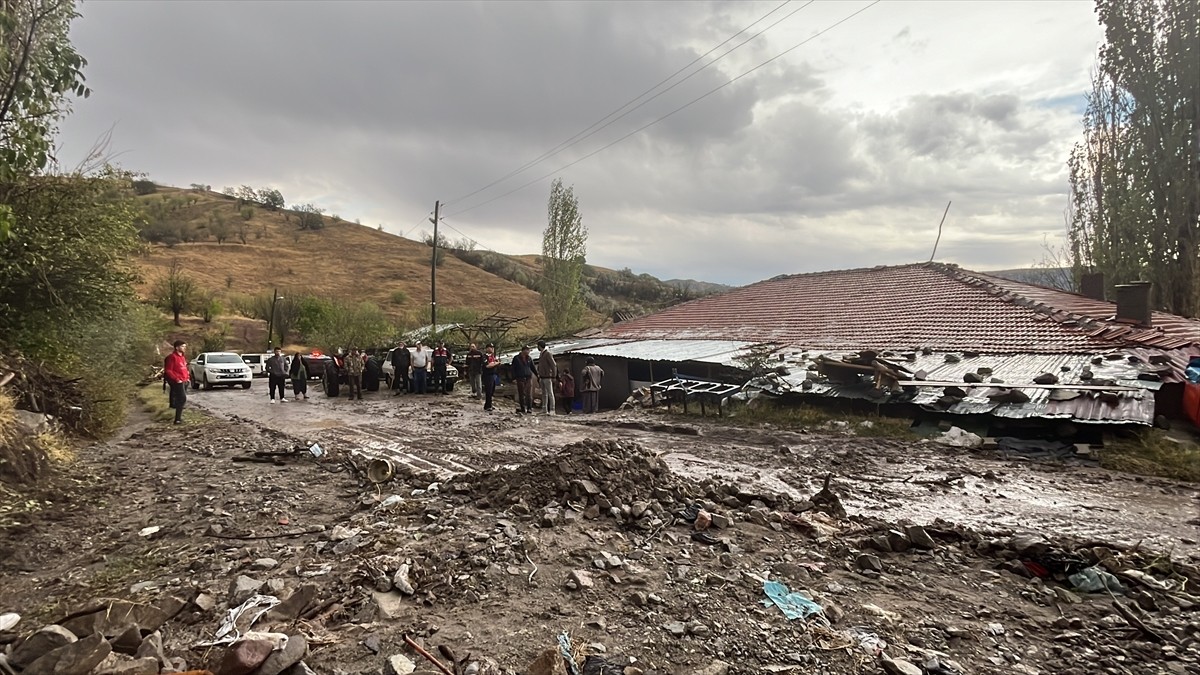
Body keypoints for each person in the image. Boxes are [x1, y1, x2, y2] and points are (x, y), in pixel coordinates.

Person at [163, 340, 189, 424]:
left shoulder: (182, 357)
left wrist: (187, 378)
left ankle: (179, 417)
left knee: (181, 399)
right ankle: (177, 419)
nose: (184, 348)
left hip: (184, 380)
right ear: (177, 347)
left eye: (185, 346)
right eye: (182, 346)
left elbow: (184, 368)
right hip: (178, 381)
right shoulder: (172, 357)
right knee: (182, 398)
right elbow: (168, 370)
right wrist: (177, 379)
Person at [536, 340, 557, 415]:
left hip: (548, 376)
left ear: (539, 346)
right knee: (544, 393)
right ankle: (544, 408)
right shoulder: (541, 354)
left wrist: (554, 375)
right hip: (542, 376)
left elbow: (553, 365)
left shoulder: (548, 354)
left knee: (550, 393)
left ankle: (552, 409)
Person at [511, 345, 535, 414]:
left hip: (528, 377)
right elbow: (513, 369)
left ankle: (529, 408)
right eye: (527, 350)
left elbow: (532, 367)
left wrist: (537, 375)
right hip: (520, 377)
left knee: (529, 393)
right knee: (521, 394)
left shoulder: (529, 358)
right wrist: (513, 378)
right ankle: (522, 408)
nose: (528, 352)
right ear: (523, 350)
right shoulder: (516, 358)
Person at [482, 344, 499, 411]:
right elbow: (488, 366)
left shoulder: (493, 356)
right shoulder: (484, 356)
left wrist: (496, 363)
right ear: (487, 348)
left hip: (494, 374)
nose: (492, 349)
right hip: (487, 375)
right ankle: (488, 406)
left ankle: (489, 404)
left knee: (492, 390)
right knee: (488, 391)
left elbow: (497, 363)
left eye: (492, 348)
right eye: (490, 348)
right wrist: (496, 363)